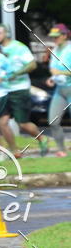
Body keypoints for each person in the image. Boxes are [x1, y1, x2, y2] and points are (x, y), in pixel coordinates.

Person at [0, 23, 48, 156]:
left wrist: (15, 74)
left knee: (22, 124)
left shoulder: (18, 47)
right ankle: (15, 151)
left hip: (19, 90)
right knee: (2, 122)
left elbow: (32, 64)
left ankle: (42, 138)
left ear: (6, 34)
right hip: (3, 91)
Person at [46, 23, 71, 157]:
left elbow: (59, 70)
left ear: (65, 35)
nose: (54, 39)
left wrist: (61, 72)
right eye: (53, 36)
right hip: (60, 90)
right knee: (53, 121)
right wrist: (53, 78)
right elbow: (53, 69)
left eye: (57, 36)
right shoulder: (55, 50)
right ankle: (62, 150)